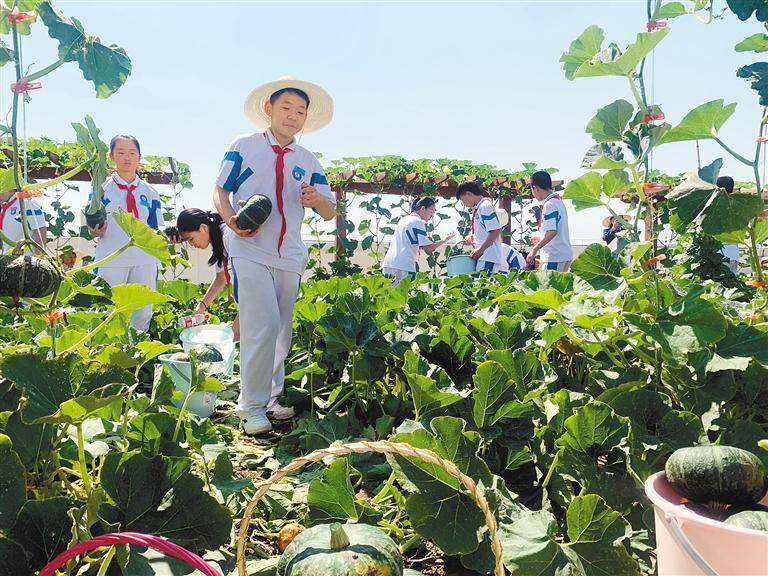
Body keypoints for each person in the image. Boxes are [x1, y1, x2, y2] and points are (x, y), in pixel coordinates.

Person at [213, 78, 336, 435]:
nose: (293, 116)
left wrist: (318, 201)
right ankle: (249, 407)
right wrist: (232, 222)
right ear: (268, 109)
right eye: (286, 108)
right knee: (262, 324)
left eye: (300, 111)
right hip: (250, 250)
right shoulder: (244, 146)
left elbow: (329, 212)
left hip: (290, 255)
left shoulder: (308, 160)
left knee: (281, 331)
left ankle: (270, 399)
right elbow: (220, 189)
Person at [86, 135, 163, 331]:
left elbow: (156, 228)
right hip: (111, 259)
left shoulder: (151, 192)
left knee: (143, 312)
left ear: (139, 157)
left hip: (144, 260)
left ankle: (138, 358)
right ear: (111, 156)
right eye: (120, 153)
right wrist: (95, 230)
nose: (126, 158)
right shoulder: (100, 190)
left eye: (131, 153)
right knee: (108, 312)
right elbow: (91, 227)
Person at [171, 208, 240, 341]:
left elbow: (249, 280)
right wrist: (200, 308)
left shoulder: (228, 236)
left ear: (203, 228)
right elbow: (221, 278)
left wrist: (241, 317)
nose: (192, 245)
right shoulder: (219, 240)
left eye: (191, 239)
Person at [381, 197, 455, 285]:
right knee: (406, 295)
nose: (432, 215)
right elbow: (428, 248)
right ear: (423, 208)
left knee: (389, 295)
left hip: (388, 264)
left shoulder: (403, 220)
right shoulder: (418, 222)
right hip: (405, 265)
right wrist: (445, 240)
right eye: (431, 211)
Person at [456, 181, 506, 272]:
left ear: (469, 194)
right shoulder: (479, 208)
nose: (464, 204)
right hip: (484, 257)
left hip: (488, 257)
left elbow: (495, 230)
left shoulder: (485, 206)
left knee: (484, 285)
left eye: (463, 200)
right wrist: (472, 238)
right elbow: (485, 231)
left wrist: (480, 249)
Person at [527, 171, 572, 271]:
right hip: (563, 255)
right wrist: (541, 237)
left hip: (554, 256)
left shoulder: (549, 204)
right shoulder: (558, 202)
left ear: (535, 188)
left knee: (548, 286)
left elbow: (552, 232)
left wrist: (534, 250)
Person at [716, 176, 740, 274]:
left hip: (717, 253)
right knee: (731, 285)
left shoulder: (712, 204)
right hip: (732, 252)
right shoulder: (737, 204)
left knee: (715, 286)